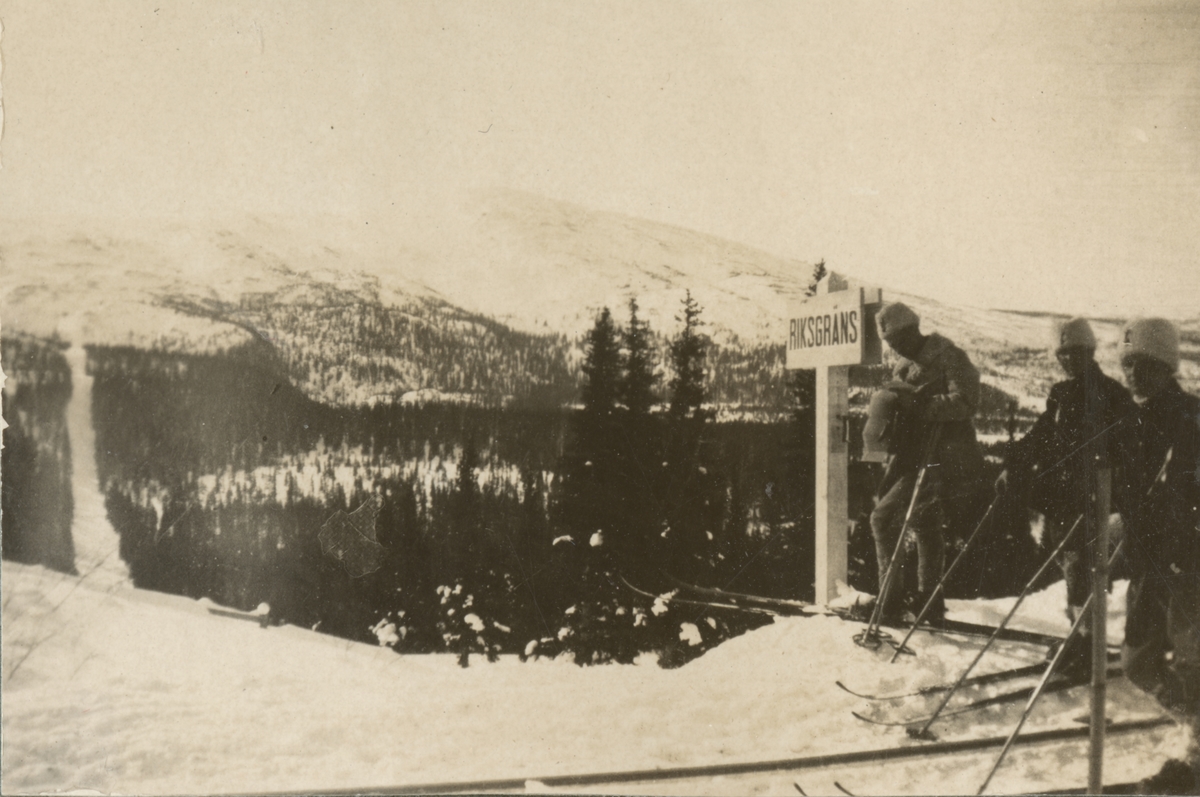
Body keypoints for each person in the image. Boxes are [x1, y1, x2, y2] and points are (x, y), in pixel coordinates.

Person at [994, 318, 1136, 680]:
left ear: (1089, 352)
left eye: (1074, 353)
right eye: (1062, 354)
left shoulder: (1112, 395)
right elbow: (1041, 436)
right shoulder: (1061, 393)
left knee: (1082, 569)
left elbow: (1126, 451)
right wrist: (1013, 462)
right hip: (1060, 499)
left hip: (1091, 500)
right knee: (1070, 567)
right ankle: (1082, 636)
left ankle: (1087, 644)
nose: (1068, 360)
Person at [1114, 318, 1200, 793]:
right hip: (1150, 563)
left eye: (1144, 365)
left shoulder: (1192, 417)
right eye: (1127, 365)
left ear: (1166, 367)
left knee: (1194, 662)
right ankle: (1195, 721)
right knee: (1137, 664)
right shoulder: (1131, 421)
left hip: (1191, 563)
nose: (1133, 375)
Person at [869, 302, 984, 625]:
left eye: (896, 340)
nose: (894, 348)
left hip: (942, 457)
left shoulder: (949, 355)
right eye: (890, 343)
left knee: (883, 519)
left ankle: (889, 603)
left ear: (911, 330)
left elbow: (967, 401)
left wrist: (919, 404)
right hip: (913, 456)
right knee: (925, 524)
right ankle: (929, 601)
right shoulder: (904, 366)